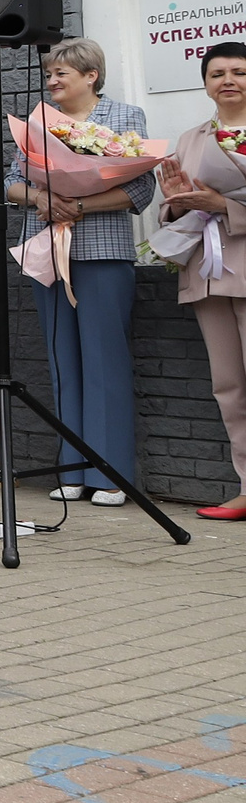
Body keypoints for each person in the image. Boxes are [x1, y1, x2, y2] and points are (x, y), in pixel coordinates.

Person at [5, 36, 154, 504]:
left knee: (104, 359)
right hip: (48, 250)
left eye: (60, 74)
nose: (51, 82)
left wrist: (80, 206)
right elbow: (12, 183)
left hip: (102, 252)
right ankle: (71, 469)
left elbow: (140, 189)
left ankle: (108, 475)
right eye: (48, 75)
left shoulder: (124, 117)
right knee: (62, 360)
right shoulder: (36, 123)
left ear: (91, 75)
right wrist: (41, 197)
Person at [155, 41, 246, 519]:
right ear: (206, 82)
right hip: (209, 273)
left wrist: (225, 207)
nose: (227, 80)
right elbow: (170, 207)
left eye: (238, 71)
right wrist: (176, 199)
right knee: (228, 385)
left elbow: (221, 202)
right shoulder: (190, 137)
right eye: (217, 73)